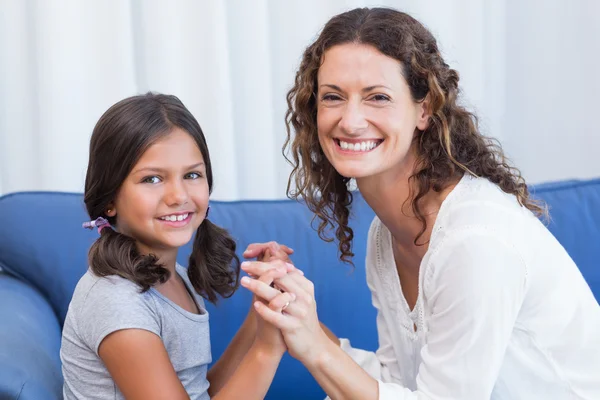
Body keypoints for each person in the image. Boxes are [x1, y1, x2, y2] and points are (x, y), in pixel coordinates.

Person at [240, 7, 600, 399]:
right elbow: (399, 384)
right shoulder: (387, 234)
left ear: (424, 109)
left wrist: (317, 349)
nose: (350, 120)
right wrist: (297, 316)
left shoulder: (474, 240)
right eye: (332, 97)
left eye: (377, 97)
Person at [60, 93, 294, 399]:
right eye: (153, 179)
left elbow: (200, 393)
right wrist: (268, 349)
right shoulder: (117, 301)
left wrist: (262, 313)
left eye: (192, 175)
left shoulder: (174, 276)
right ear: (109, 199)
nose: (178, 195)